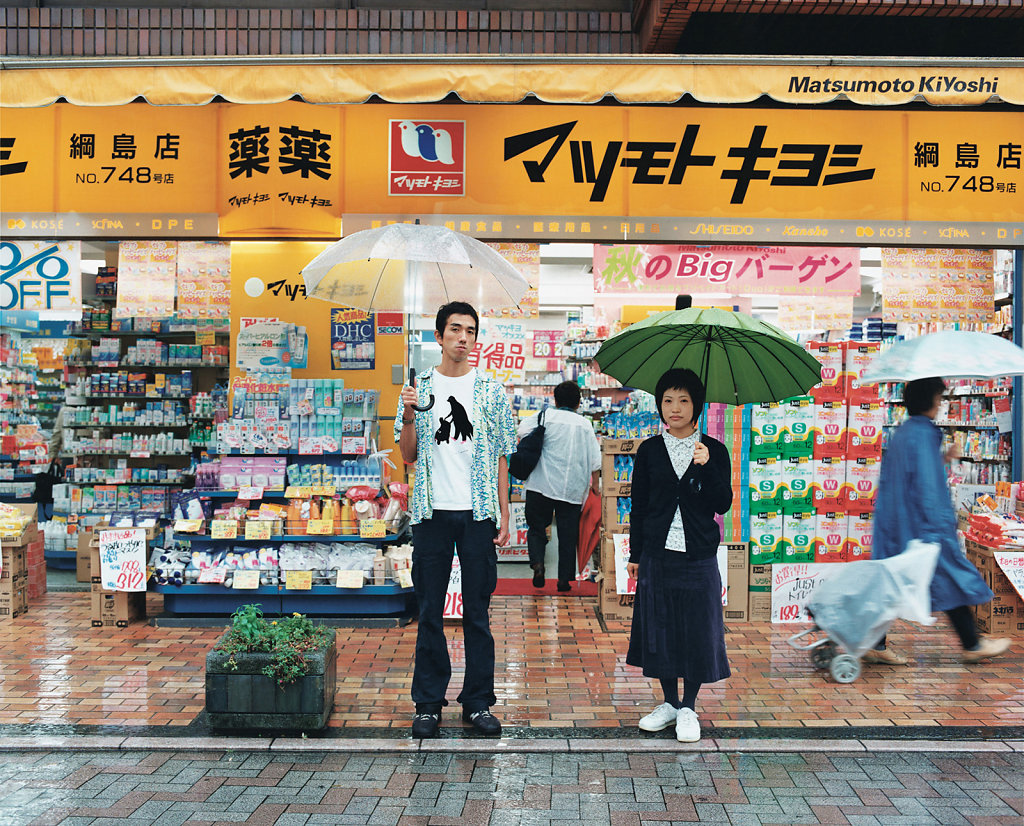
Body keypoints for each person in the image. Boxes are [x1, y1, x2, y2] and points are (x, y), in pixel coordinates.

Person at [395, 301, 518, 738]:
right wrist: (410, 413)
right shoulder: (418, 387)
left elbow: (504, 454)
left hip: (478, 513)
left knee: (478, 613)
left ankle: (478, 702)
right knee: (429, 610)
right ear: (439, 336)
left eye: (470, 330)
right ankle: (428, 703)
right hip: (430, 513)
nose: (463, 338)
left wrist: (506, 512)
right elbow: (407, 454)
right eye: (454, 330)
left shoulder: (489, 389)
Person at [866, 376, 1010, 665]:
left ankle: (874, 644)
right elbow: (927, 488)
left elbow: (912, 473)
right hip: (922, 527)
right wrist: (942, 525)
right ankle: (972, 643)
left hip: (897, 524)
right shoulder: (922, 435)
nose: (942, 404)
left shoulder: (906, 433)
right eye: (941, 399)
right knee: (947, 579)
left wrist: (942, 458)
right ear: (931, 401)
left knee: (895, 583)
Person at [625, 368, 733, 743]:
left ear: (696, 406)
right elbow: (638, 506)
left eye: (684, 400)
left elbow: (723, 503)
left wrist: (707, 468)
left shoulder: (714, 450)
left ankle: (688, 706)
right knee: (661, 628)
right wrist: (635, 553)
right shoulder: (650, 450)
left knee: (698, 630)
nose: (675, 408)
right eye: (668, 400)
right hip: (657, 553)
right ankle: (669, 703)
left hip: (698, 555)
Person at [518, 380, 601, 591]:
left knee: (537, 528)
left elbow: (521, 431)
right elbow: (595, 461)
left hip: (540, 484)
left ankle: (538, 564)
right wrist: (596, 487)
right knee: (567, 534)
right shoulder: (584, 425)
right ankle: (564, 580)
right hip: (571, 488)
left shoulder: (544, 417)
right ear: (578, 403)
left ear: (555, 399)